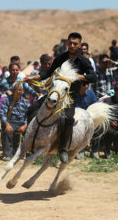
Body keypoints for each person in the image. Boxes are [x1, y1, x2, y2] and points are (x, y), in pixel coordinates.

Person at [24, 32, 97, 163]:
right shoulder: (60, 57)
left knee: (67, 119)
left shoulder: (83, 61)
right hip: (55, 93)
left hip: (69, 98)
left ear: (79, 45)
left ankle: (62, 149)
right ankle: (29, 140)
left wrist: (81, 77)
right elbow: (48, 72)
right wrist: (32, 78)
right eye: (70, 43)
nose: (72, 45)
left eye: (75, 43)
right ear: (67, 43)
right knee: (32, 109)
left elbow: (94, 76)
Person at [0, 83, 30, 161]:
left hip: (22, 123)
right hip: (10, 122)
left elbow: (30, 116)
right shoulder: (6, 100)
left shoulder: (26, 102)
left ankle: (25, 153)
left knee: (31, 131)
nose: (18, 92)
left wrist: (25, 125)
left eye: (20, 90)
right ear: (13, 90)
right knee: (8, 130)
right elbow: (2, 114)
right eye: (16, 90)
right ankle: (7, 154)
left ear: (22, 91)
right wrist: (7, 124)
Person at [75, 81, 98, 159]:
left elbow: (95, 106)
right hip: (77, 119)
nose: (87, 87)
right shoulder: (73, 94)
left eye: (88, 84)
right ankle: (80, 151)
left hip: (89, 118)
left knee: (99, 128)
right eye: (84, 85)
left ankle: (94, 151)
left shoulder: (91, 93)